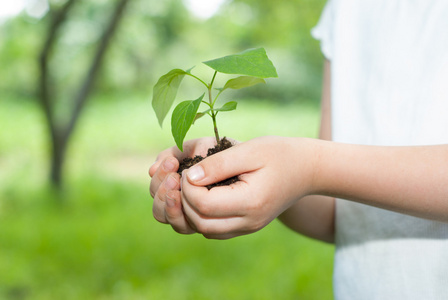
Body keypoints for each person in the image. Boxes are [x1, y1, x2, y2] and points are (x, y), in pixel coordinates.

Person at [149, 0, 448, 298]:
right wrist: (261, 173)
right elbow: (334, 209)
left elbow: (319, 169)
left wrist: (309, 166)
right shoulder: (347, 8)